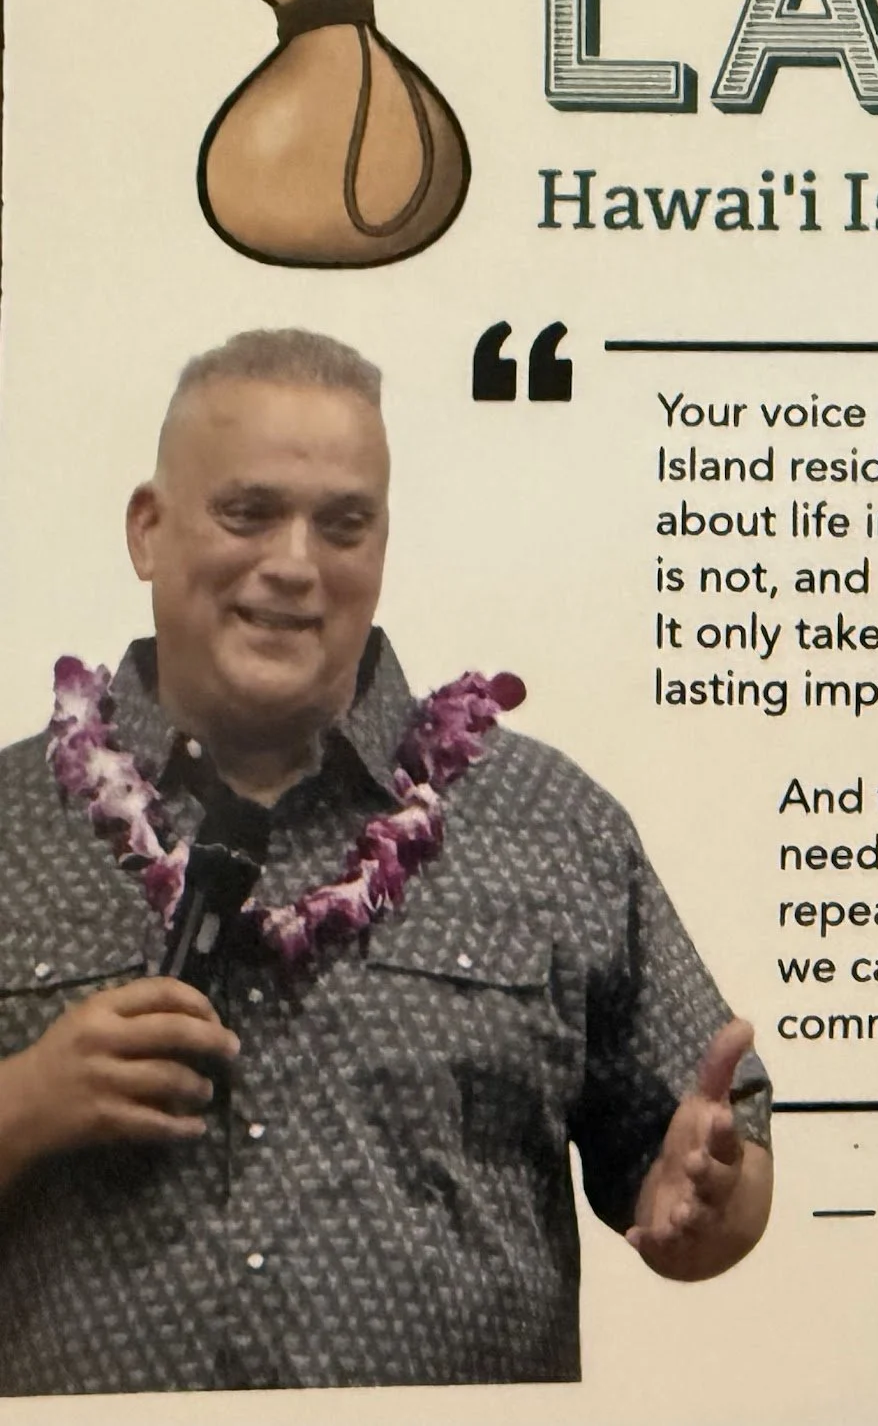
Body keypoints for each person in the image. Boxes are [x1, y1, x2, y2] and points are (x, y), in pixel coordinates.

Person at [0, 328, 772, 1393]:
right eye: (248, 511)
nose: (294, 562)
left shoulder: (552, 823)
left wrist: (710, 1210)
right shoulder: (7, 827)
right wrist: (24, 1103)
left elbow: (710, 1172)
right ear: (149, 528)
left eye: (344, 524)